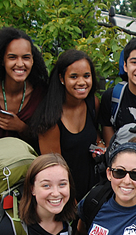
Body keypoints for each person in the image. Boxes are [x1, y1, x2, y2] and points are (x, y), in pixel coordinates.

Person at [33, 49, 103, 201]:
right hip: (65, 194)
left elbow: (95, 133)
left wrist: (100, 145)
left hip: (95, 189)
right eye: (73, 76)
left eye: (86, 76)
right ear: (61, 78)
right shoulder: (50, 119)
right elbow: (53, 170)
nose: (82, 82)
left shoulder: (93, 103)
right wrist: (73, 205)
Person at [0, 27, 49, 149]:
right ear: (2, 61)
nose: (20, 64)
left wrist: (21, 127)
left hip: (30, 163)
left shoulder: (41, 92)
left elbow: (46, 141)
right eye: (12, 57)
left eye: (26, 57)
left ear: (33, 60)